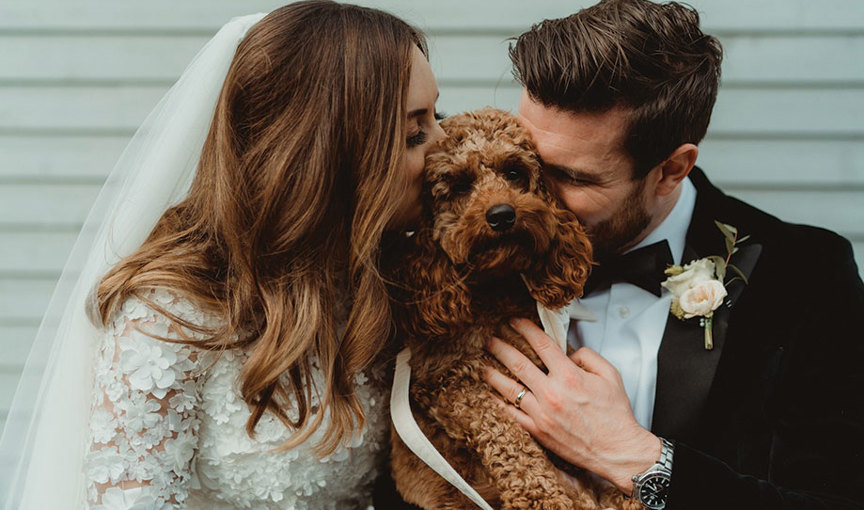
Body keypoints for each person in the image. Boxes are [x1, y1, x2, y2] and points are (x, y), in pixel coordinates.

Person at [373, 0, 864, 508]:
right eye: (531, 165)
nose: (532, 198)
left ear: (672, 169)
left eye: (573, 178)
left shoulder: (807, 277)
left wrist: (638, 460)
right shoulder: (449, 263)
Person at [0, 2, 444, 509]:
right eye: (414, 134)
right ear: (324, 154)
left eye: (438, 117)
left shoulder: (398, 280)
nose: (446, 146)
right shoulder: (173, 309)